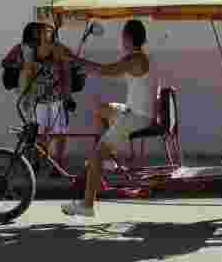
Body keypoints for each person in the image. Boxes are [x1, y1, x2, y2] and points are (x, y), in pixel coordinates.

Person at [62, 19, 153, 217]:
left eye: (122, 36)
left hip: (136, 117)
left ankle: (87, 205)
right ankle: (108, 156)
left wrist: (75, 60)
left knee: (95, 157)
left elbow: (106, 70)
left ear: (127, 38)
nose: (121, 40)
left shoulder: (135, 60)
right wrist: (84, 66)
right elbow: (106, 70)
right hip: (133, 112)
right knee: (103, 109)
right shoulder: (137, 58)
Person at [18, 21, 74, 174]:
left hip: (57, 98)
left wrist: (67, 95)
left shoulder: (60, 49)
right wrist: (25, 97)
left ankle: (58, 165)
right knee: (40, 134)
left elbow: (66, 73)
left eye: (48, 31)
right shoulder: (32, 51)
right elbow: (27, 74)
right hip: (39, 99)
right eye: (42, 31)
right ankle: (37, 162)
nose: (45, 33)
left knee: (60, 133)